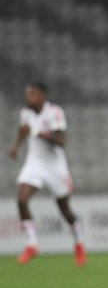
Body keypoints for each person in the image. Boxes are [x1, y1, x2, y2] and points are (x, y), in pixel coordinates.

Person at [7, 82, 86, 267]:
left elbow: (60, 141)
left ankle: (79, 244)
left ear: (42, 96)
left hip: (55, 167)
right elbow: (23, 130)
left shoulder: (54, 113)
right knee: (22, 199)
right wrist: (15, 147)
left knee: (65, 210)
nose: (29, 97)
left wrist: (35, 132)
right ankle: (31, 244)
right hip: (34, 163)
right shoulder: (25, 113)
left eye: (33, 94)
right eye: (28, 94)